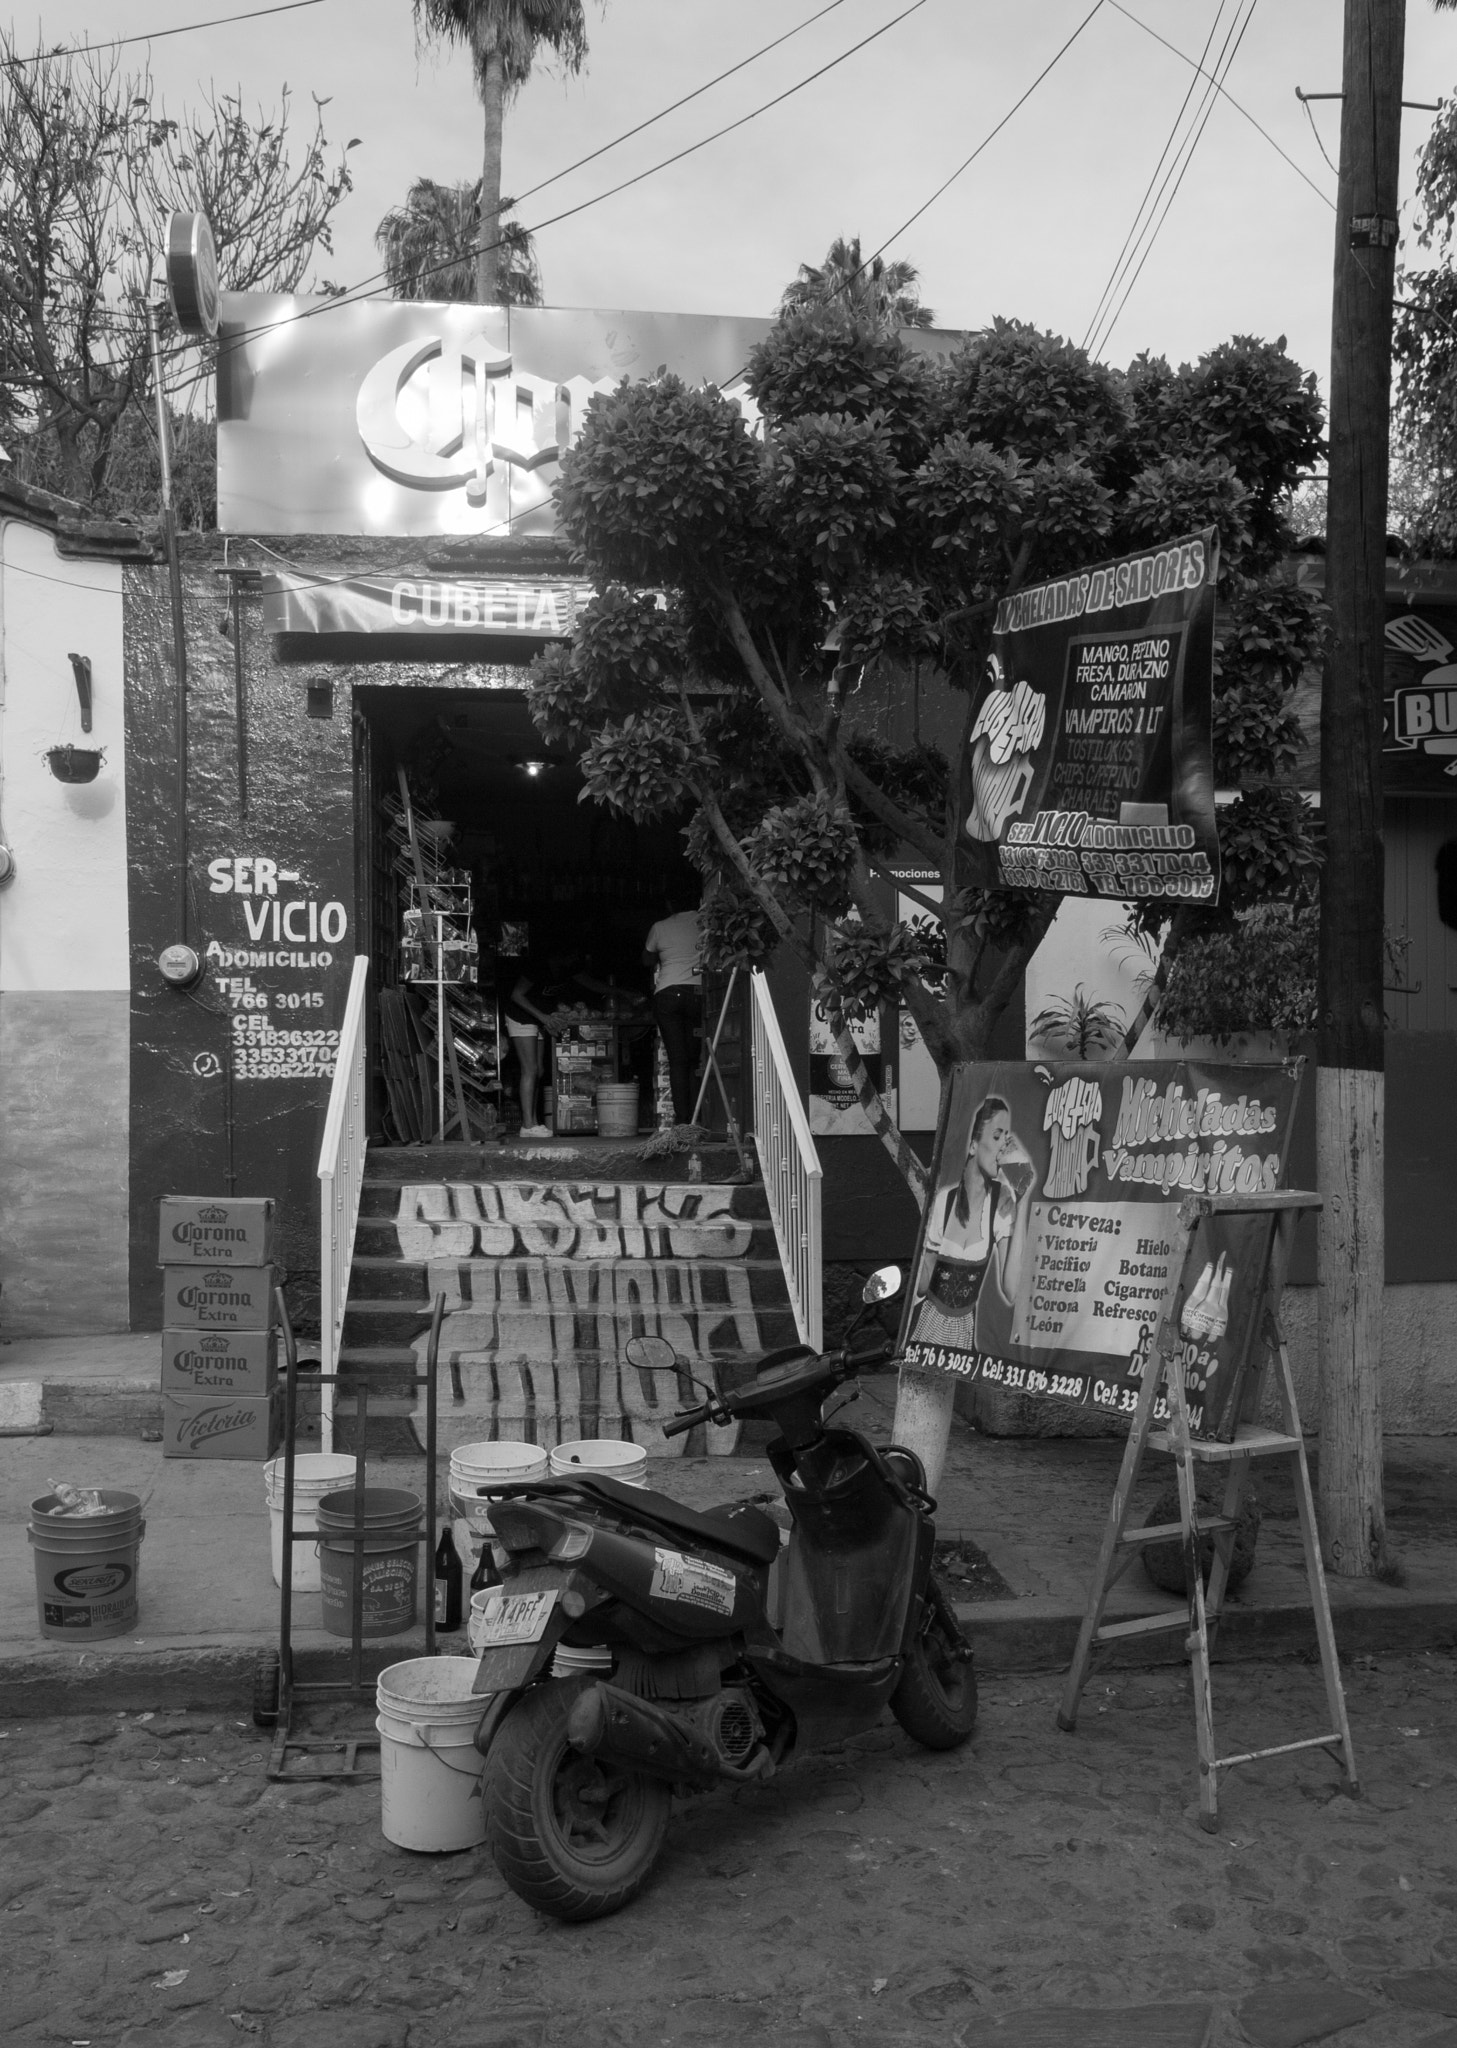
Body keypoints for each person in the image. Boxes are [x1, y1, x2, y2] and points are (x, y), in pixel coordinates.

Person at [908, 1095, 1035, 1351]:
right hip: (926, 1328)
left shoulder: (1001, 1204)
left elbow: (1011, 1290)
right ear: (974, 1145)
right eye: (996, 1136)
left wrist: (1022, 1202)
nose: (1002, 1148)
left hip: (963, 1335)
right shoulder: (944, 1201)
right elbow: (922, 1288)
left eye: (1006, 1139)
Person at [643, 895, 702, 1126]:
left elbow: (647, 960)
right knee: (695, 1059)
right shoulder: (707, 923)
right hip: (698, 994)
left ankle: (682, 1120)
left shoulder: (660, 926)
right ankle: (699, 1116)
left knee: (678, 1060)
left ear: (669, 903)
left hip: (668, 994)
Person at [502, 966, 554, 1138]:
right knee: (529, 1069)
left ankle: (534, 1121)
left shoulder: (565, 971)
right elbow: (516, 995)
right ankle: (527, 1125)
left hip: (537, 1020)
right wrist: (542, 1016)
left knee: (538, 1070)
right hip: (521, 1018)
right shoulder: (537, 968)